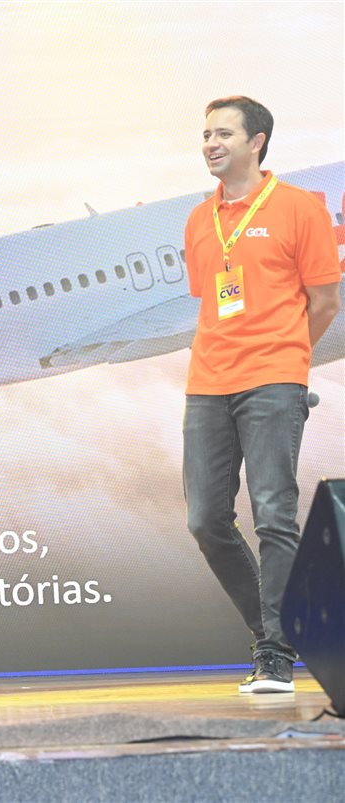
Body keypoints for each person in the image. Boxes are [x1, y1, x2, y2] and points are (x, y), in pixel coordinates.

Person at [182, 96, 340, 694]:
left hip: (273, 380)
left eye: (223, 133)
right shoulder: (200, 220)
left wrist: (287, 358)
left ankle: (273, 652)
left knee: (273, 514)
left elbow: (324, 300)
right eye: (204, 135)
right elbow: (214, 298)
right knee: (205, 521)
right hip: (207, 384)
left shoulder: (299, 210)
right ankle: (275, 629)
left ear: (258, 141)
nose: (210, 144)